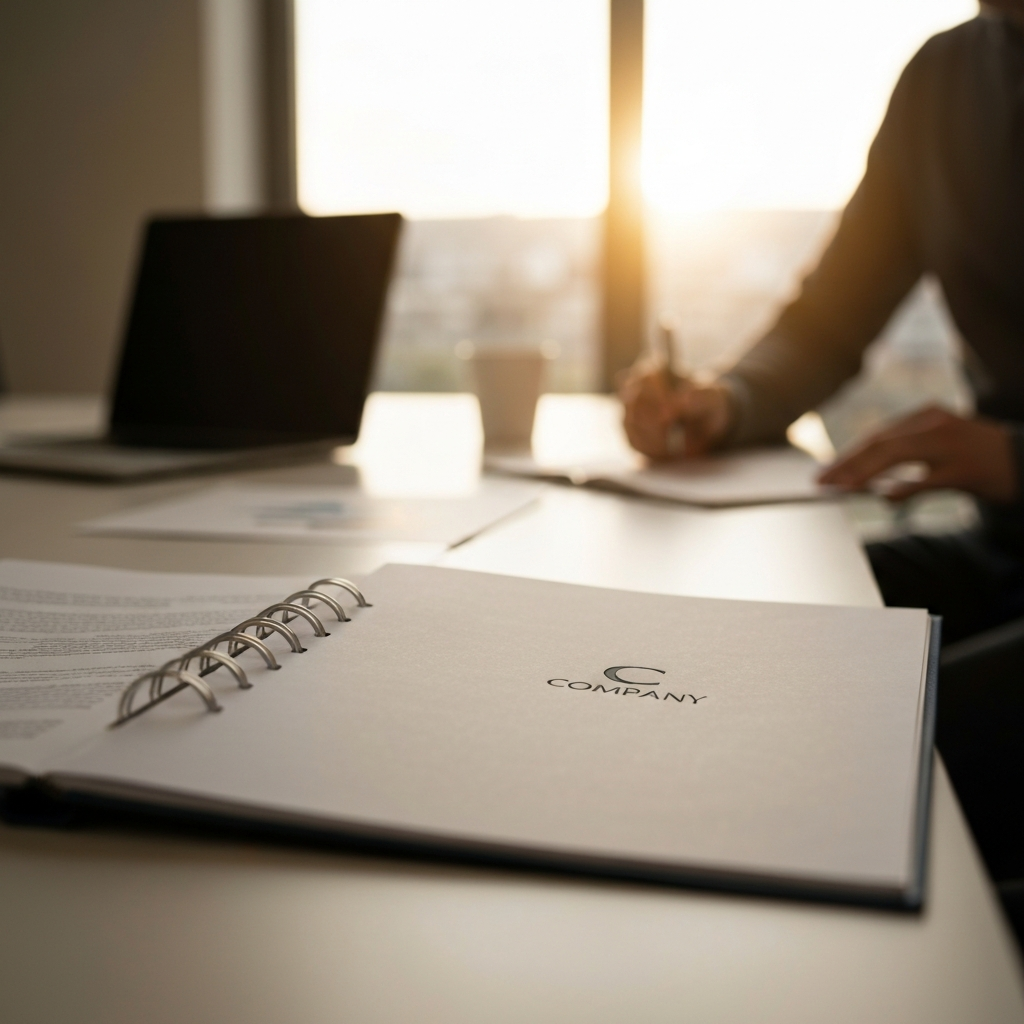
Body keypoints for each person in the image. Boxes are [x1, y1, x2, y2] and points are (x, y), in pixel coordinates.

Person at [622, 2, 1024, 647]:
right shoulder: (943, 77)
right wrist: (726, 402)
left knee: (870, 716)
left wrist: (1013, 459)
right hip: (1002, 556)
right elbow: (829, 321)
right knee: (746, 629)